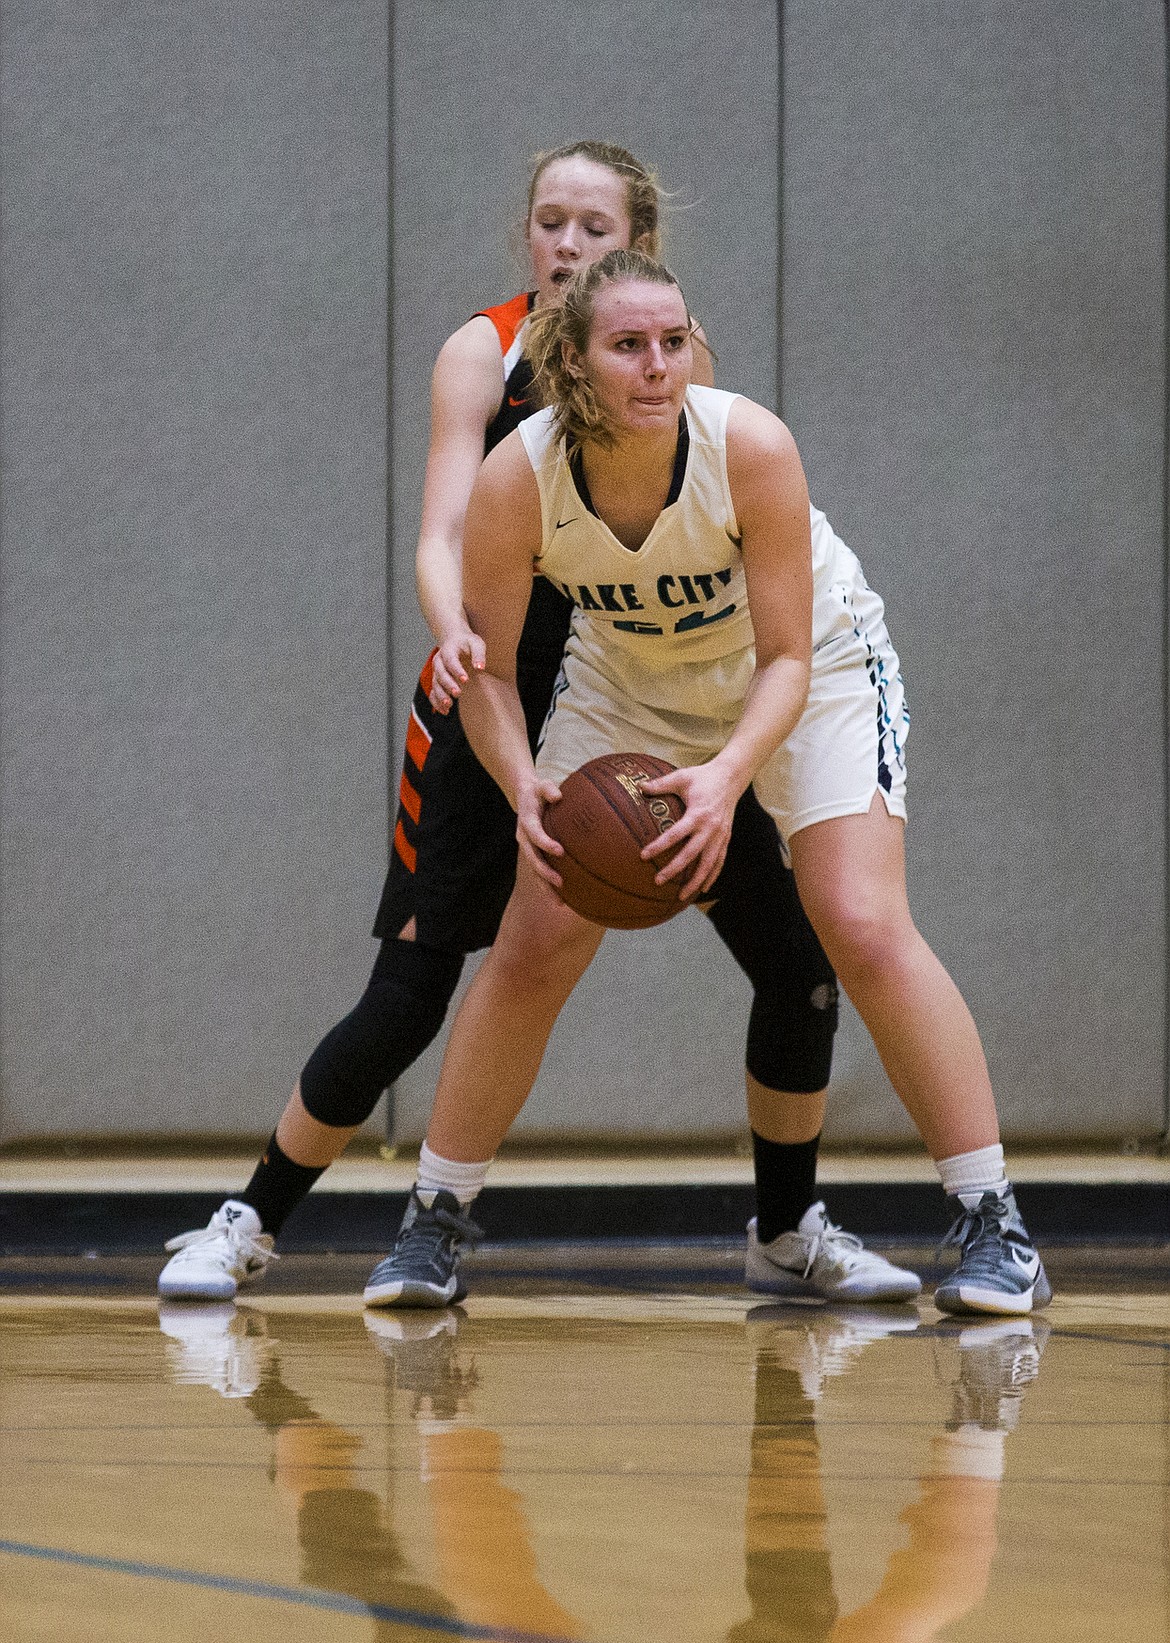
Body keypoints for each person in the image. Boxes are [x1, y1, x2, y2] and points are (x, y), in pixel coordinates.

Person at [158, 142, 918, 1309]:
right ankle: (252, 1220)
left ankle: (786, 1228)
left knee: (800, 965)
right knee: (412, 992)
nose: (567, 243)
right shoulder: (483, 349)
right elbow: (439, 531)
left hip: (653, 704)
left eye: (593, 225)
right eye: (549, 221)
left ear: (640, 248)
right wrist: (453, 627)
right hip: (499, 695)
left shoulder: (667, 362)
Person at [367, 249, 1050, 1320]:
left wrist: (729, 779)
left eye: (673, 341)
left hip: (810, 670)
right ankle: (432, 1226)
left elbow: (783, 657)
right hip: (630, 677)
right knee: (536, 935)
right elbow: (491, 674)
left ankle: (993, 1221)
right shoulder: (520, 474)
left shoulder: (750, 445)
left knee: (859, 920)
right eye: (628, 345)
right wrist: (522, 789)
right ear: (573, 362)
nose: (656, 365)